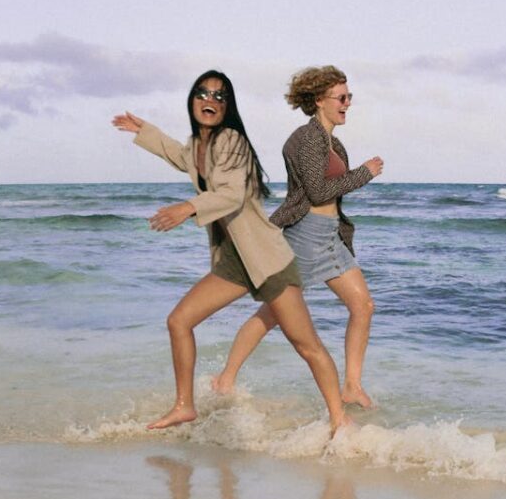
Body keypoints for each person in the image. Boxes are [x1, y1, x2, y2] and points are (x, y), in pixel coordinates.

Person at [112, 70, 351, 434]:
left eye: (219, 97)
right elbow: (179, 155)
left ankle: (340, 420)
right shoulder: (199, 145)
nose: (210, 101)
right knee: (179, 321)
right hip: (235, 262)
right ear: (192, 100)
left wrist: (187, 207)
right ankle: (184, 406)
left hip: (268, 260)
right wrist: (145, 130)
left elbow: (232, 194)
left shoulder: (232, 141)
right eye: (203, 94)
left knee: (307, 345)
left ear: (228, 107)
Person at [212, 65, 383, 407]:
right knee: (275, 313)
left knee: (363, 305)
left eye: (349, 97)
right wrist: (364, 173)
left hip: (330, 237)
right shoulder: (305, 139)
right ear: (319, 100)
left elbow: (331, 191)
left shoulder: (333, 142)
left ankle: (351, 385)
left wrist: (356, 175)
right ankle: (225, 378)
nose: (347, 103)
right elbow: (318, 192)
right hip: (305, 236)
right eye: (341, 98)